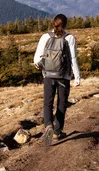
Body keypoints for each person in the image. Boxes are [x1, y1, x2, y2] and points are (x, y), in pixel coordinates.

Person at [34, 14, 81, 146]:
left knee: (48, 103)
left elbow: (37, 58)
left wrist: (39, 64)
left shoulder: (45, 37)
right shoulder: (69, 38)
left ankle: (48, 125)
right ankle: (57, 132)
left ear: (53, 23)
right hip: (63, 76)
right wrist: (77, 77)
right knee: (62, 103)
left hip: (48, 75)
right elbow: (73, 59)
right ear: (65, 24)